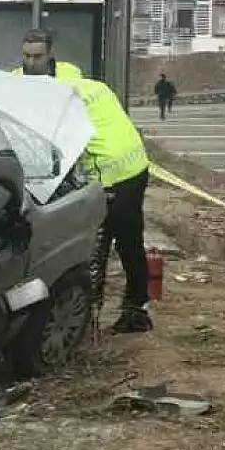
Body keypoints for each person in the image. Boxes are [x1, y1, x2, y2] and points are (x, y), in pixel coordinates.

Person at [58, 75, 154, 333]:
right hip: (136, 167)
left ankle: (93, 316)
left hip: (111, 175)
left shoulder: (63, 105)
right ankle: (137, 308)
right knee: (130, 243)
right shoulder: (94, 87)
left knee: (97, 244)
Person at [11, 28, 85, 78]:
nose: (31, 62)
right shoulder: (15, 76)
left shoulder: (70, 72)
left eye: (37, 56)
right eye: (27, 56)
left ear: (50, 53)